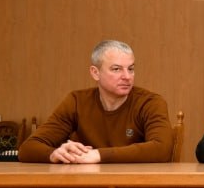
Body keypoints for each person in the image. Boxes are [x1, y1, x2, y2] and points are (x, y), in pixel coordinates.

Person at [18, 40, 174, 163]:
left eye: (131, 69)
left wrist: (99, 155)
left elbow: (162, 149)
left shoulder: (150, 102)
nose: (127, 77)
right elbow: (27, 148)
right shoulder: (77, 101)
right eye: (116, 69)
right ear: (95, 73)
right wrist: (54, 154)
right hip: (85, 184)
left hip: (135, 186)